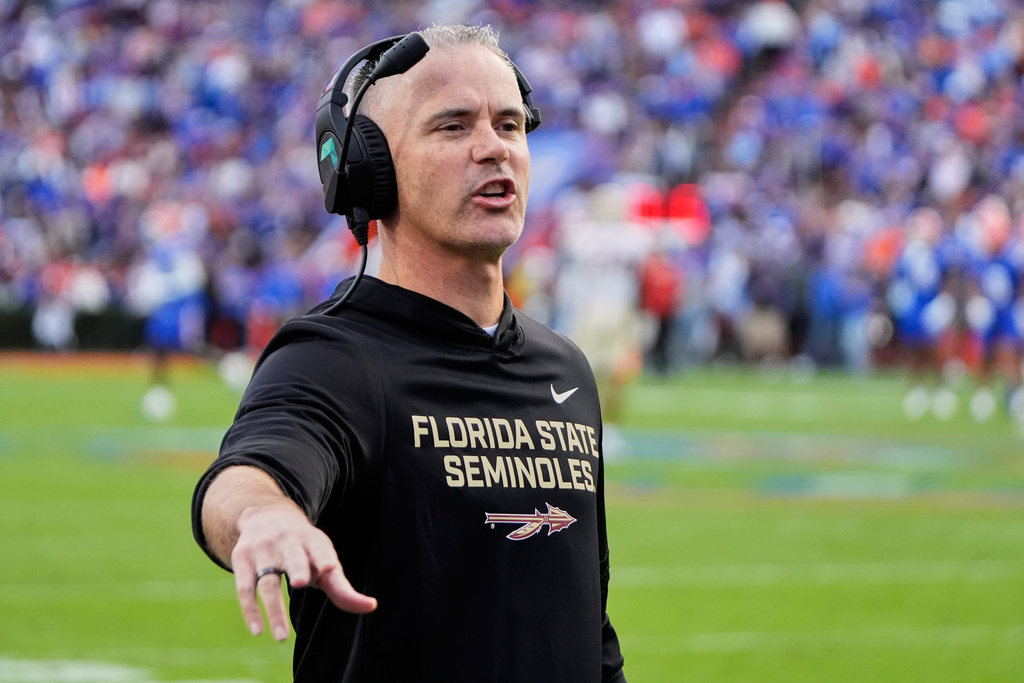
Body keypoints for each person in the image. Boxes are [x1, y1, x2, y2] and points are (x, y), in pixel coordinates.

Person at [190, 24, 627, 683]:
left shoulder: (563, 369)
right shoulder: (334, 356)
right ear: (371, 168)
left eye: (509, 124)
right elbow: (249, 472)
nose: (493, 148)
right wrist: (266, 516)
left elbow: (588, 630)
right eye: (453, 126)